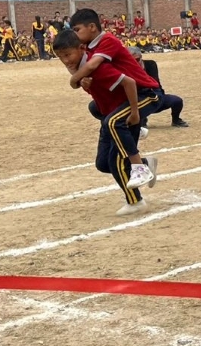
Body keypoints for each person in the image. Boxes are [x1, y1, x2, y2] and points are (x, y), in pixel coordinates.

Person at [53, 31, 160, 215]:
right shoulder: (80, 68)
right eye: (60, 57)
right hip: (109, 113)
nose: (65, 61)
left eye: (68, 55)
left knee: (115, 160)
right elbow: (76, 79)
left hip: (123, 114)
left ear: (81, 48)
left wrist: (135, 115)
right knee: (103, 163)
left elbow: (129, 83)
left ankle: (135, 201)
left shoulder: (97, 66)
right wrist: (77, 81)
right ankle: (144, 163)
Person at [66, 9, 161, 193]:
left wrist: (73, 80)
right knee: (96, 108)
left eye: (77, 30)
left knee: (113, 122)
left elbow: (93, 65)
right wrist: (81, 79)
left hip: (145, 92)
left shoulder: (106, 40)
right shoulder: (89, 48)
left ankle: (139, 168)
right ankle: (143, 157)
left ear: (92, 27)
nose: (75, 35)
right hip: (125, 97)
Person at [128, 46, 188, 128]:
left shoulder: (150, 64)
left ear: (141, 57)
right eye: (132, 60)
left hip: (156, 96)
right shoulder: (127, 69)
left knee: (177, 101)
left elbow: (155, 82)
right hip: (141, 100)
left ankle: (176, 120)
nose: (135, 62)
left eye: (137, 60)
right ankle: (142, 121)